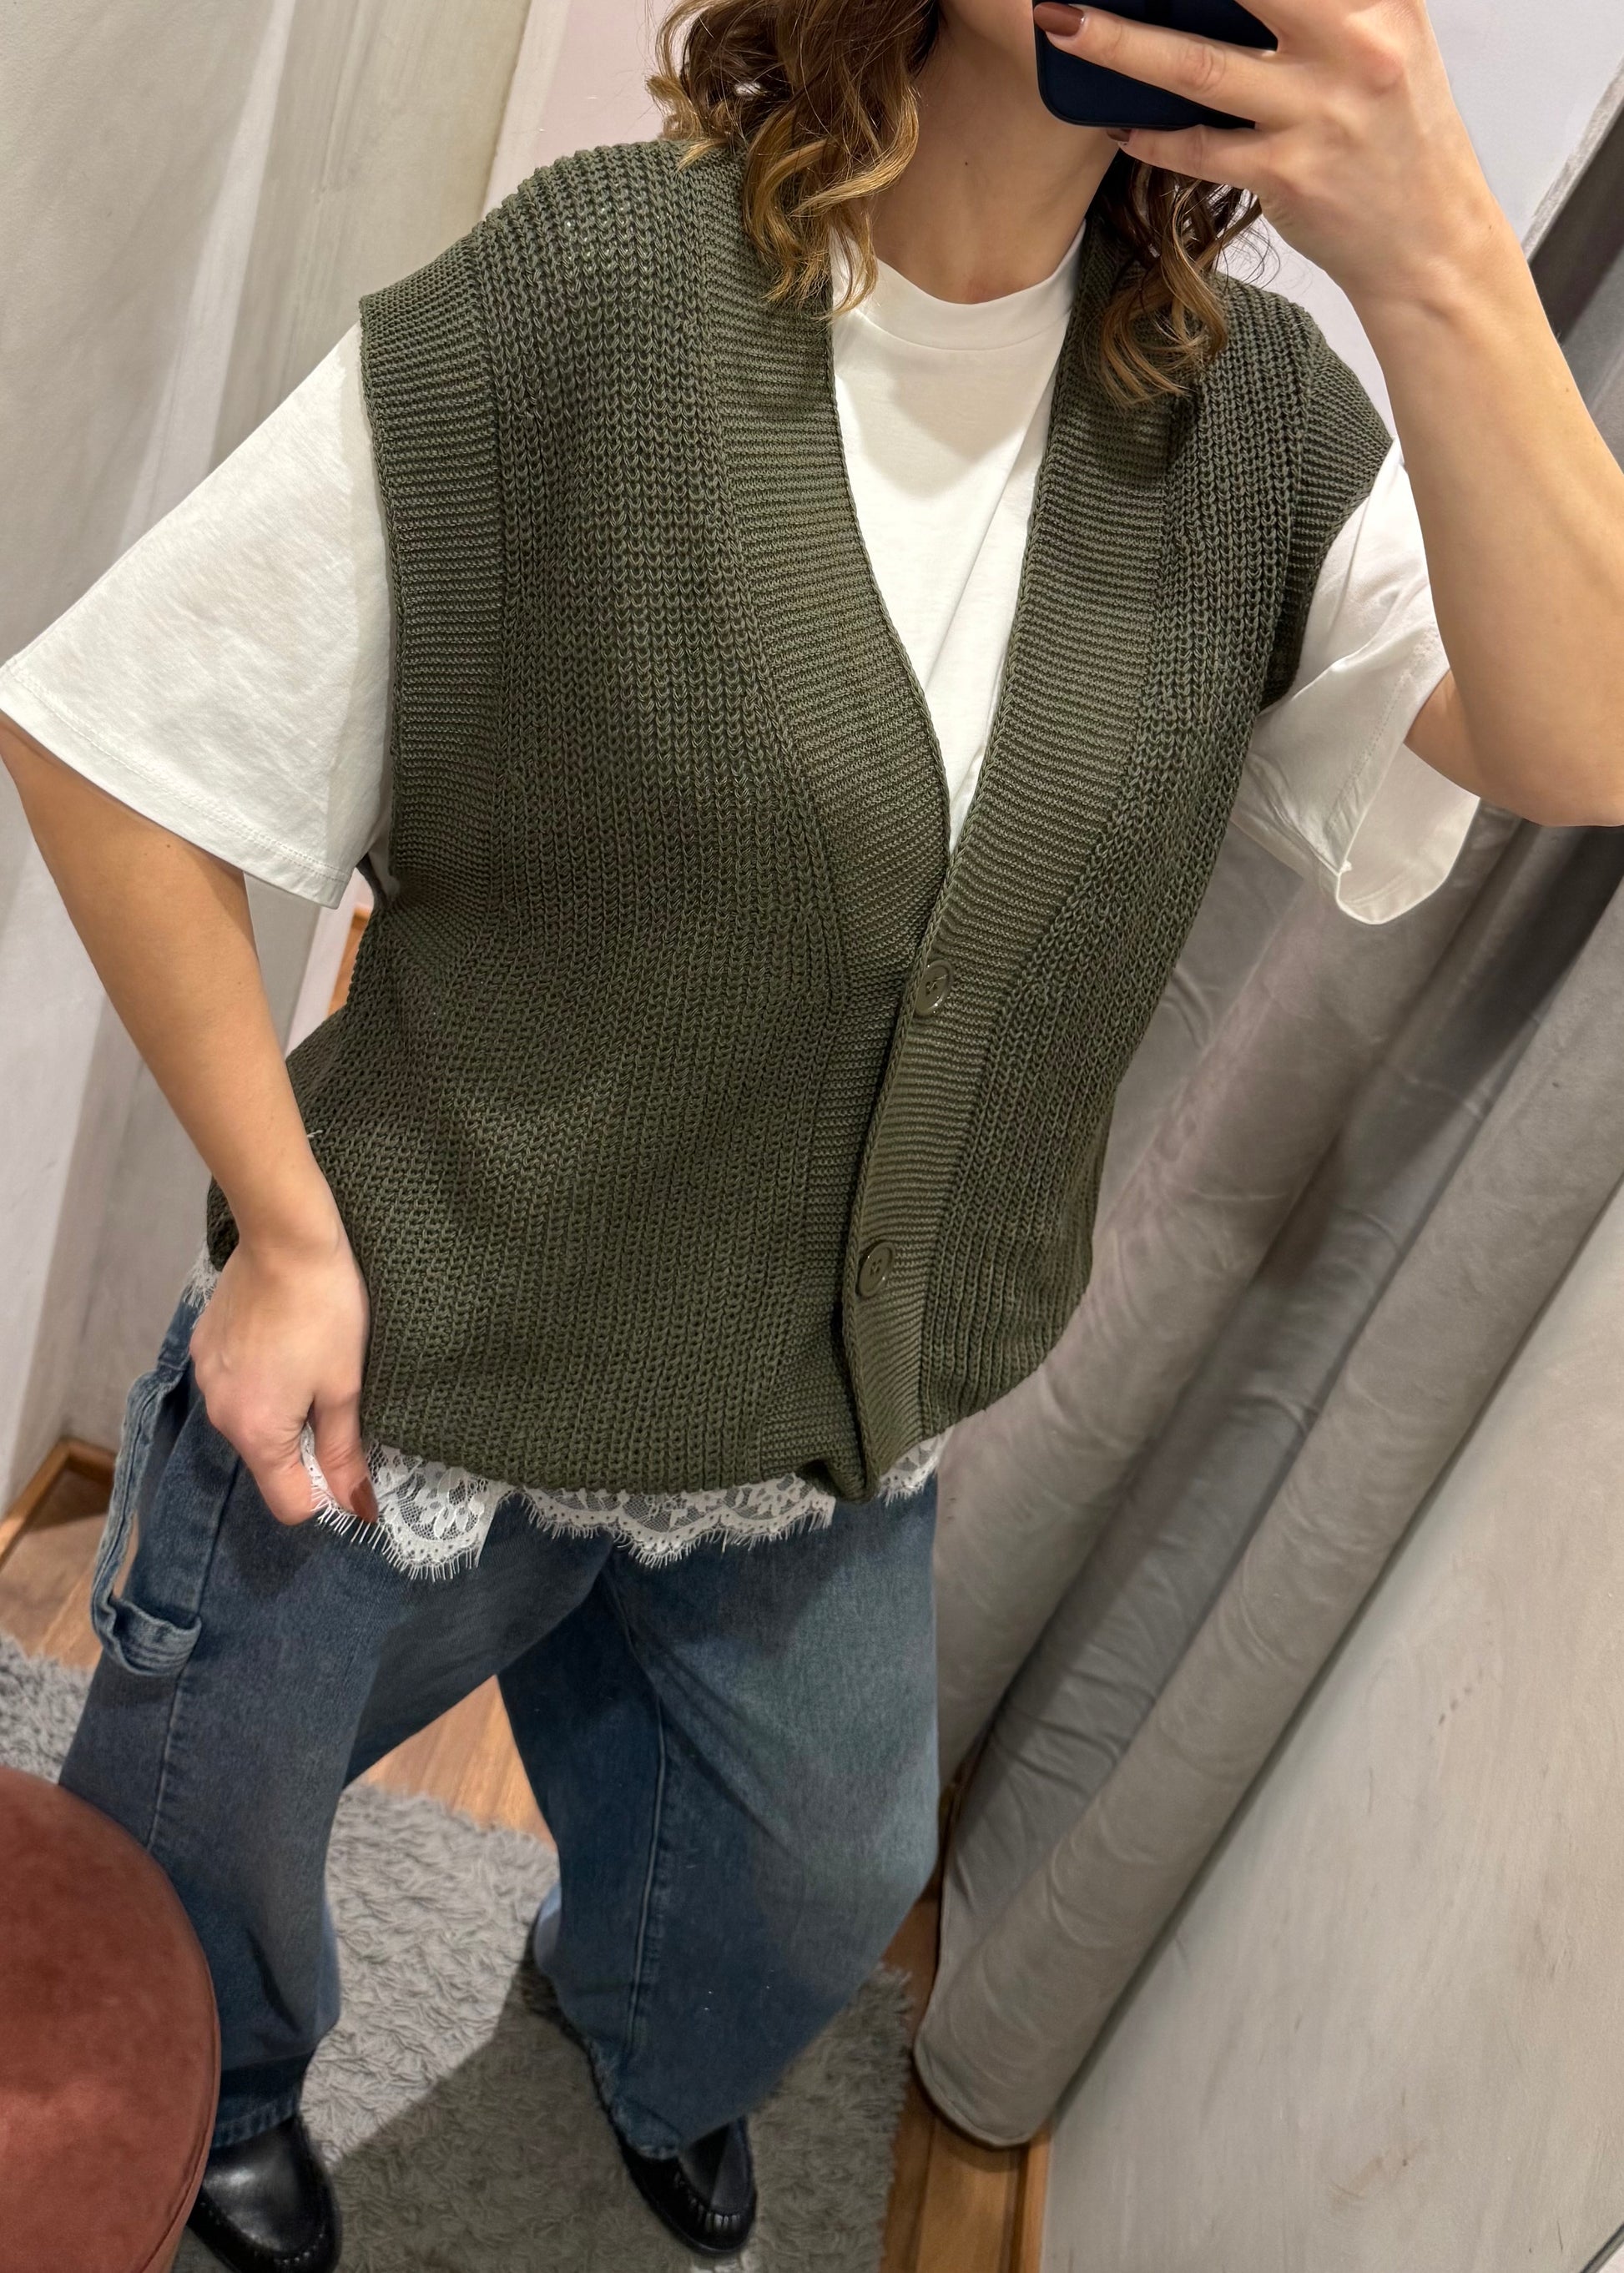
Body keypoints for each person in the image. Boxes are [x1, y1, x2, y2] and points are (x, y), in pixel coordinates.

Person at [4, 0, 1622, 2263]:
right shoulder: (600, 299)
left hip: (818, 1423)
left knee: (819, 1879)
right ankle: (241, 2091)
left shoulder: (1244, 435)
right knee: (199, 1859)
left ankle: (634, 2029)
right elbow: (110, 740)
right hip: (417, 1360)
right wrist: (282, 1236)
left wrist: (1432, 235)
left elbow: (1584, 734)